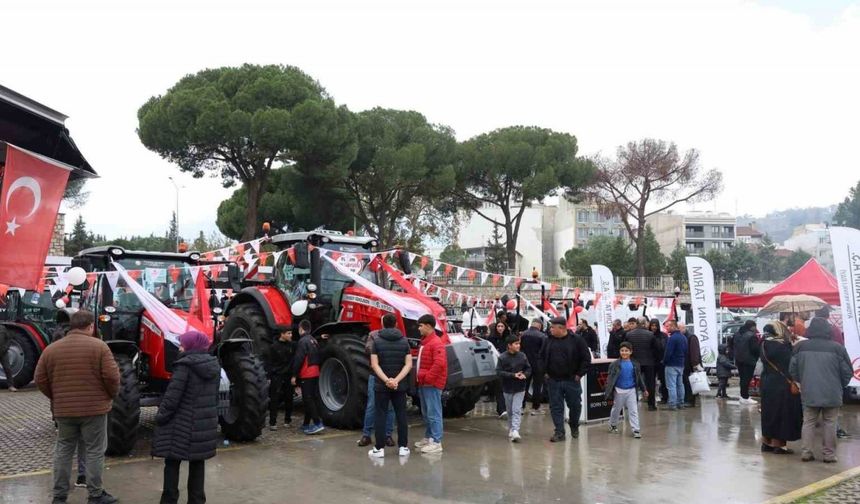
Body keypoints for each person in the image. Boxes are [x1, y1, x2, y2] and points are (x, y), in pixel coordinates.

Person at [34, 310, 120, 504]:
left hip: (64, 411)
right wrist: (109, 396)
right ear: (90, 326)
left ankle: (59, 496)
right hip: (95, 410)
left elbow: (39, 378)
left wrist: (56, 396)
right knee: (95, 450)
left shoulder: (52, 349)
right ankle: (95, 494)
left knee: (63, 450)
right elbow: (112, 377)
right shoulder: (100, 347)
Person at [152, 330, 219, 504]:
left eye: (182, 344)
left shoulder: (184, 366)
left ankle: (169, 500)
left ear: (190, 345)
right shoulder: (213, 365)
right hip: (202, 425)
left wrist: (160, 418)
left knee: (172, 462)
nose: (180, 347)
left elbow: (172, 398)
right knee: (197, 463)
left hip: (180, 425)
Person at [790, 318, 853, 463]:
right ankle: (829, 455)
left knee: (808, 422)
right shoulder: (838, 348)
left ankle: (806, 452)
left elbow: (792, 370)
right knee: (830, 423)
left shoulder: (800, 347)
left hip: (809, 391)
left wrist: (802, 381)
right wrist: (839, 384)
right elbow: (847, 372)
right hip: (832, 392)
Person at [367, 314, 412, 458]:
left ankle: (379, 449)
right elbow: (408, 364)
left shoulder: (377, 341)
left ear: (382, 324)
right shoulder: (404, 342)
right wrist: (396, 380)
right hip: (400, 386)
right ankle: (403, 447)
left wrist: (387, 380)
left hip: (381, 385)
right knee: (401, 415)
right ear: (396, 324)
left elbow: (375, 364)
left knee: (380, 415)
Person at [540, 316, 591, 442]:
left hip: (571, 380)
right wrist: (544, 372)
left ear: (561, 328)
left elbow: (586, 359)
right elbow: (540, 357)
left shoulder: (577, 340)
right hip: (553, 380)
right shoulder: (547, 340)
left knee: (575, 406)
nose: (550, 329)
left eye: (552, 327)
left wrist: (579, 374)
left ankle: (574, 424)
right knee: (556, 406)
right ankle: (559, 432)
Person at [757, 322, 802, 455]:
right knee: (782, 413)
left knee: (768, 413)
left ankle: (766, 442)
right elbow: (790, 363)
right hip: (782, 383)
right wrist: (792, 345)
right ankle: (779, 445)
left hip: (767, 382)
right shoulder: (781, 347)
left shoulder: (764, 344)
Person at [415, 314, 447, 454]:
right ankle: (429, 437)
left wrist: (428, 378)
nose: (419, 328)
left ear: (428, 326)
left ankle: (436, 441)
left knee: (433, 413)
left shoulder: (436, 343)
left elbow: (439, 363)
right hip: (425, 383)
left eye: (420, 326)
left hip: (431, 384)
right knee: (427, 412)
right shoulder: (426, 342)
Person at [358, 329, 395, 447]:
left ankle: (386, 435)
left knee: (388, 407)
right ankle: (367, 434)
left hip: (390, 375)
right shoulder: (374, 336)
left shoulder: (397, 337)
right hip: (377, 375)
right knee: (373, 405)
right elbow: (368, 349)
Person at [605, 342, 647, 438]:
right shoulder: (614, 364)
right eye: (622, 351)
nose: (624, 353)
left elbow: (639, 378)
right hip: (619, 390)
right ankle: (613, 424)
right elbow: (610, 379)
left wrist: (644, 389)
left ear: (631, 352)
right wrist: (609, 390)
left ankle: (636, 430)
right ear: (619, 352)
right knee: (616, 409)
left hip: (631, 390)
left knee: (633, 410)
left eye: (626, 351)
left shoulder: (635, 364)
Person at [291, 320, 325, 435]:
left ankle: (317, 423)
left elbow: (299, 359)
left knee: (308, 399)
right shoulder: (314, 340)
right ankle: (306, 424)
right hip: (316, 372)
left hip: (307, 373)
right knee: (311, 399)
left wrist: (294, 375)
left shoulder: (302, 341)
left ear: (301, 329)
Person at [496, 335, 532, 442]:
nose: (518, 346)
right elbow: (498, 372)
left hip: (520, 387)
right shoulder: (502, 357)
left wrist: (525, 375)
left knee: (516, 409)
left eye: (519, 343)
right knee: (510, 410)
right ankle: (511, 428)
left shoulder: (522, 356)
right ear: (509, 345)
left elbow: (528, 368)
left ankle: (516, 430)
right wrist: (513, 375)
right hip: (507, 388)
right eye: (516, 344)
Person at [624, 317, 659, 411]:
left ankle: (632, 404)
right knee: (650, 384)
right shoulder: (651, 334)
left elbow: (626, 348)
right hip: (649, 362)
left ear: (637, 323)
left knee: (633, 383)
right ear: (645, 324)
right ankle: (651, 405)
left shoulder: (629, 334)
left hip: (635, 362)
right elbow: (657, 349)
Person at [265, 327, 295, 431]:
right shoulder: (273, 347)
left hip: (288, 375)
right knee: (274, 399)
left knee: (289, 398)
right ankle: (272, 423)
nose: (291, 335)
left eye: (291, 333)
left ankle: (288, 420)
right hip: (276, 376)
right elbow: (268, 362)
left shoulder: (292, 345)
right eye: (288, 333)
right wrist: (269, 376)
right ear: (282, 334)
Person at [519, 318, 547, 415]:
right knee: (537, 386)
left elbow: (520, 349)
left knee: (524, 386)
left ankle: (521, 407)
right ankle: (535, 408)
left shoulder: (523, 334)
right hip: (538, 364)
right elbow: (544, 352)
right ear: (539, 326)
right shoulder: (542, 336)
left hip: (525, 363)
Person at [731, 320, 760, 405]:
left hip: (739, 360)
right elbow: (755, 349)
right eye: (755, 326)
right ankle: (745, 397)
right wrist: (756, 357)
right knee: (746, 379)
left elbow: (731, 344)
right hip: (749, 361)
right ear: (752, 326)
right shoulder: (752, 336)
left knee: (743, 378)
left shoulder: (737, 334)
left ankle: (743, 396)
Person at [486, 321, 511, 417]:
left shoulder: (508, 338)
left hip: (506, 365)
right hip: (496, 365)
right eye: (498, 326)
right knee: (499, 387)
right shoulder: (491, 338)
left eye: (502, 326)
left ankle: (503, 408)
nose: (500, 328)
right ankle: (501, 409)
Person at [662, 320, 687, 411]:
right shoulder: (683, 337)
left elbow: (668, 352)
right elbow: (685, 351)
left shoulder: (672, 338)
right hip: (681, 364)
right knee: (680, 384)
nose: (666, 328)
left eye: (668, 326)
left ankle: (672, 404)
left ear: (673, 326)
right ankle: (681, 403)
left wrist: (664, 361)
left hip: (671, 364)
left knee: (671, 385)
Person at [680, 323, 702, 408]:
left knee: (690, 383)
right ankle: (688, 399)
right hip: (686, 364)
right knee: (687, 383)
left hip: (690, 365)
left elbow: (694, 352)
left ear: (683, 328)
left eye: (679, 329)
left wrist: (695, 364)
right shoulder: (686, 337)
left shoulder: (691, 337)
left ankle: (690, 401)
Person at [649, 318, 668, 404]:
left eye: (655, 325)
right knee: (651, 381)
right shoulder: (648, 334)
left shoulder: (663, 335)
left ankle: (665, 397)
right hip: (651, 361)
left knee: (663, 380)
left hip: (661, 361)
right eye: (652, 325)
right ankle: (651, 398)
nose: (654, 327)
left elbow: (664, 348)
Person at [0, 325, 18, 392]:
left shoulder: (2, 328)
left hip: (3, 352)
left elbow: (8, 339)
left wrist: (6, 347)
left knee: (7, 369)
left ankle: (11, 386)